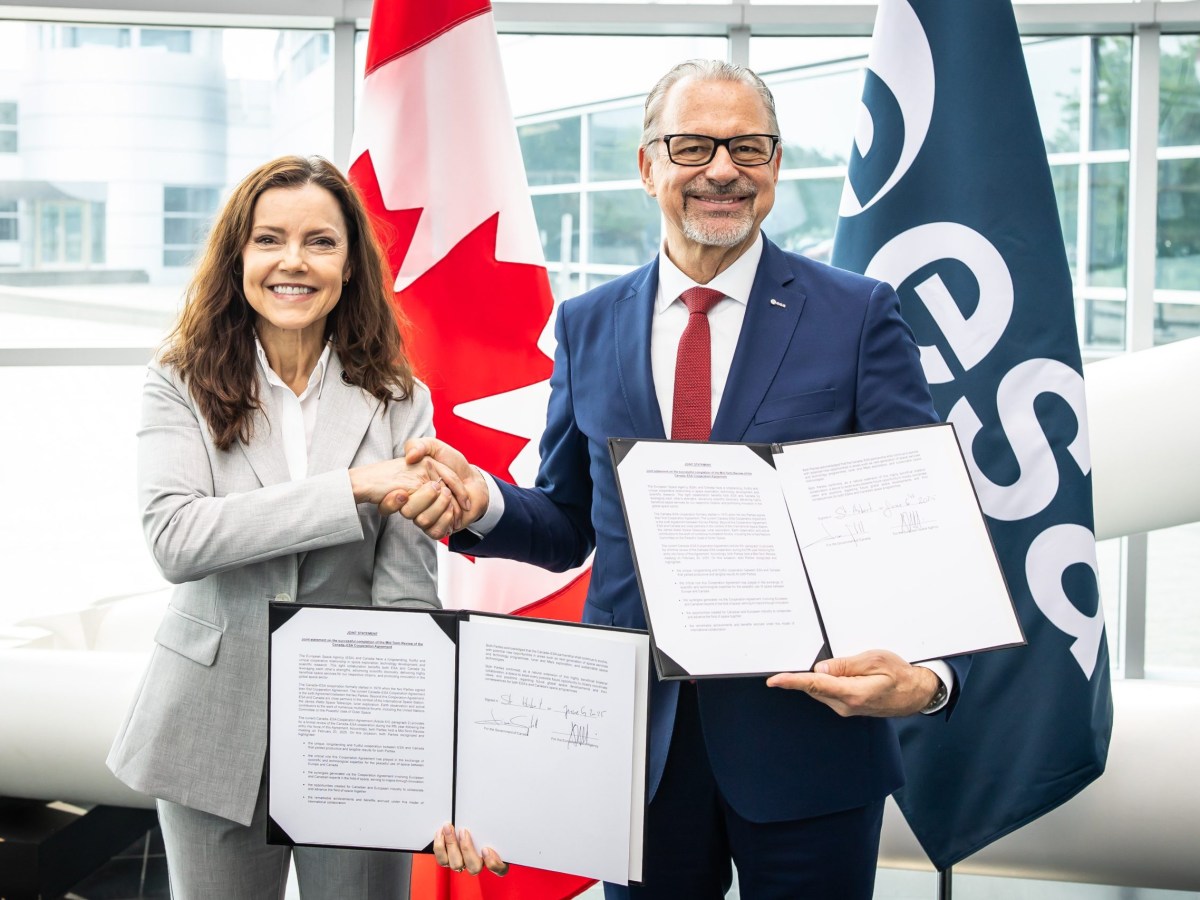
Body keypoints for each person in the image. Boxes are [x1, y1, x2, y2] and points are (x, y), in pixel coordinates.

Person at [395, 61, 971, 898]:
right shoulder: (589, 324)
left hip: (811, 743)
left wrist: (932, 677)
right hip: (637, 752)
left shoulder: (859, 315)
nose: (723, 169)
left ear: (775, 164)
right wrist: (481, 502)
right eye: (693, 145)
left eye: (749, 147)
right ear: (647, 165)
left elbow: (920, 524)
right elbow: (568, 522)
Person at [106, 155, 469, 899]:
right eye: (269, 239)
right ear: (239, 256)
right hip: (208, 722)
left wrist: (417, 747)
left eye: (320, 242)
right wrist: (354, 488)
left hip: (356, 731)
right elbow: (178, 539)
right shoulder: (179, 380)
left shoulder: (401, 400)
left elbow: (406, 592)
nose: (293, 262)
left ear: (350, 264)